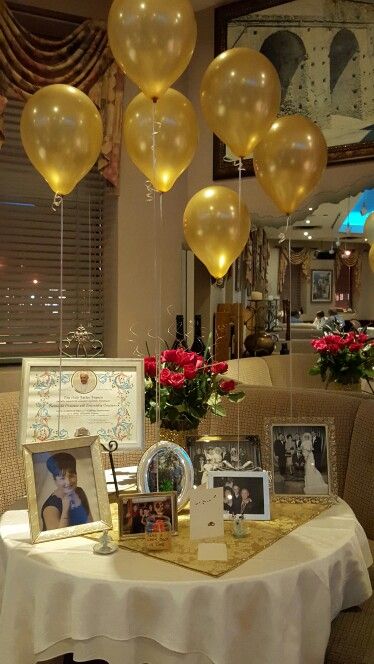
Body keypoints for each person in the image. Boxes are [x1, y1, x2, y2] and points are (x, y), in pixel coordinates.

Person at [41, 452, 92, 530]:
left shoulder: (80, 492)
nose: (68, 482)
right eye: (62, 478)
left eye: (71, 476)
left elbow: (91, 524)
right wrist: (65, 511)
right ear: (55, 480)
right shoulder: (50, 508)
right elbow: (56, 539)